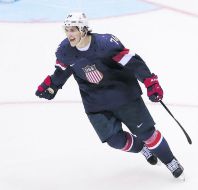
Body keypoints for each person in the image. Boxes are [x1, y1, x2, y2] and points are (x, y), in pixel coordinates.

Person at [35, 12, 184, 179]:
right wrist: (51, 85)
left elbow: (133, 62)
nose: (69, 34)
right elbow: (62, 71)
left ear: (83, 29)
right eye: (67, 30)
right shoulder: (65, 50)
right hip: (95, 103)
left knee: (147, 134)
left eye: (73, 30)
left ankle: (170, 160)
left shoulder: (106, 43)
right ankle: (142, 148)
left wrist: (150, 82)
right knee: (115, 141)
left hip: (123, 95)